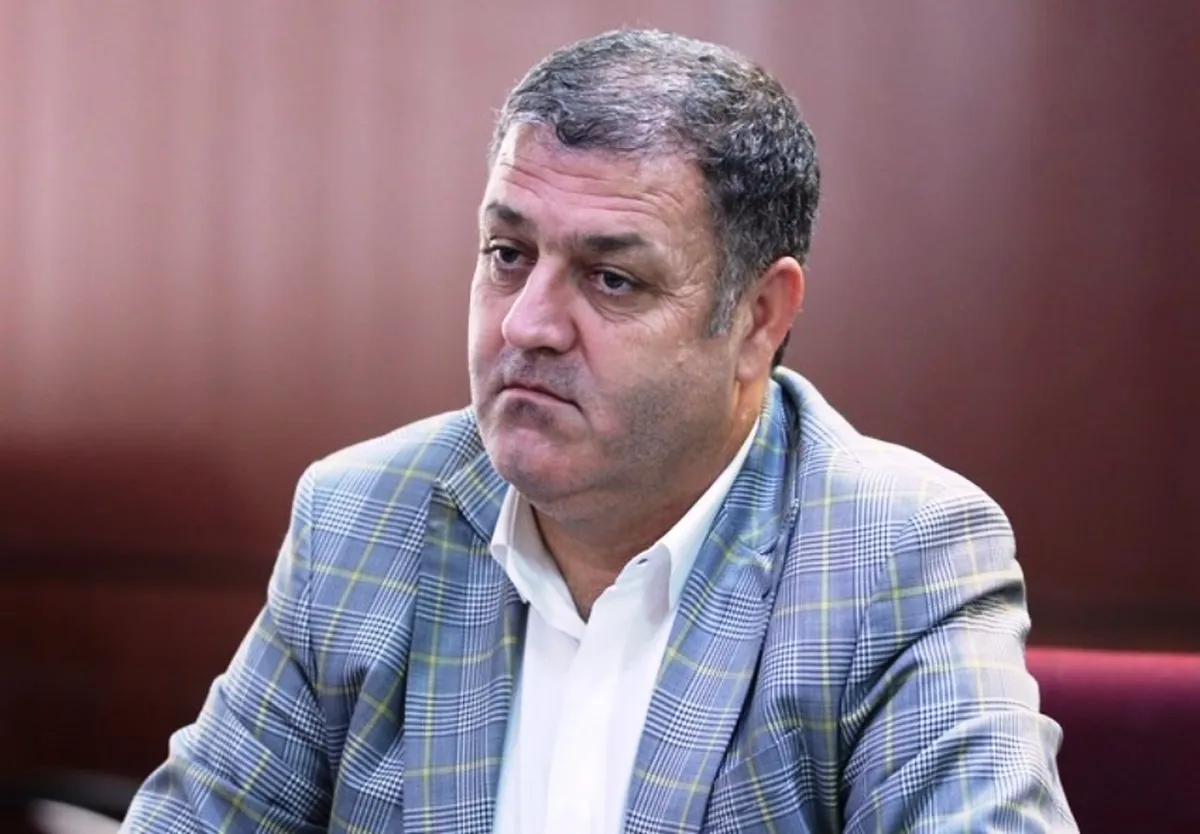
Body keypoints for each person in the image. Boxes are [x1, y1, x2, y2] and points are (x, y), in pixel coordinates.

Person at [121, 29, 1076, 834]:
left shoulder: (897, 555)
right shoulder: (361, 520)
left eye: (611, 278)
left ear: (758, 319)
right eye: (508, 254)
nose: (527, 323)